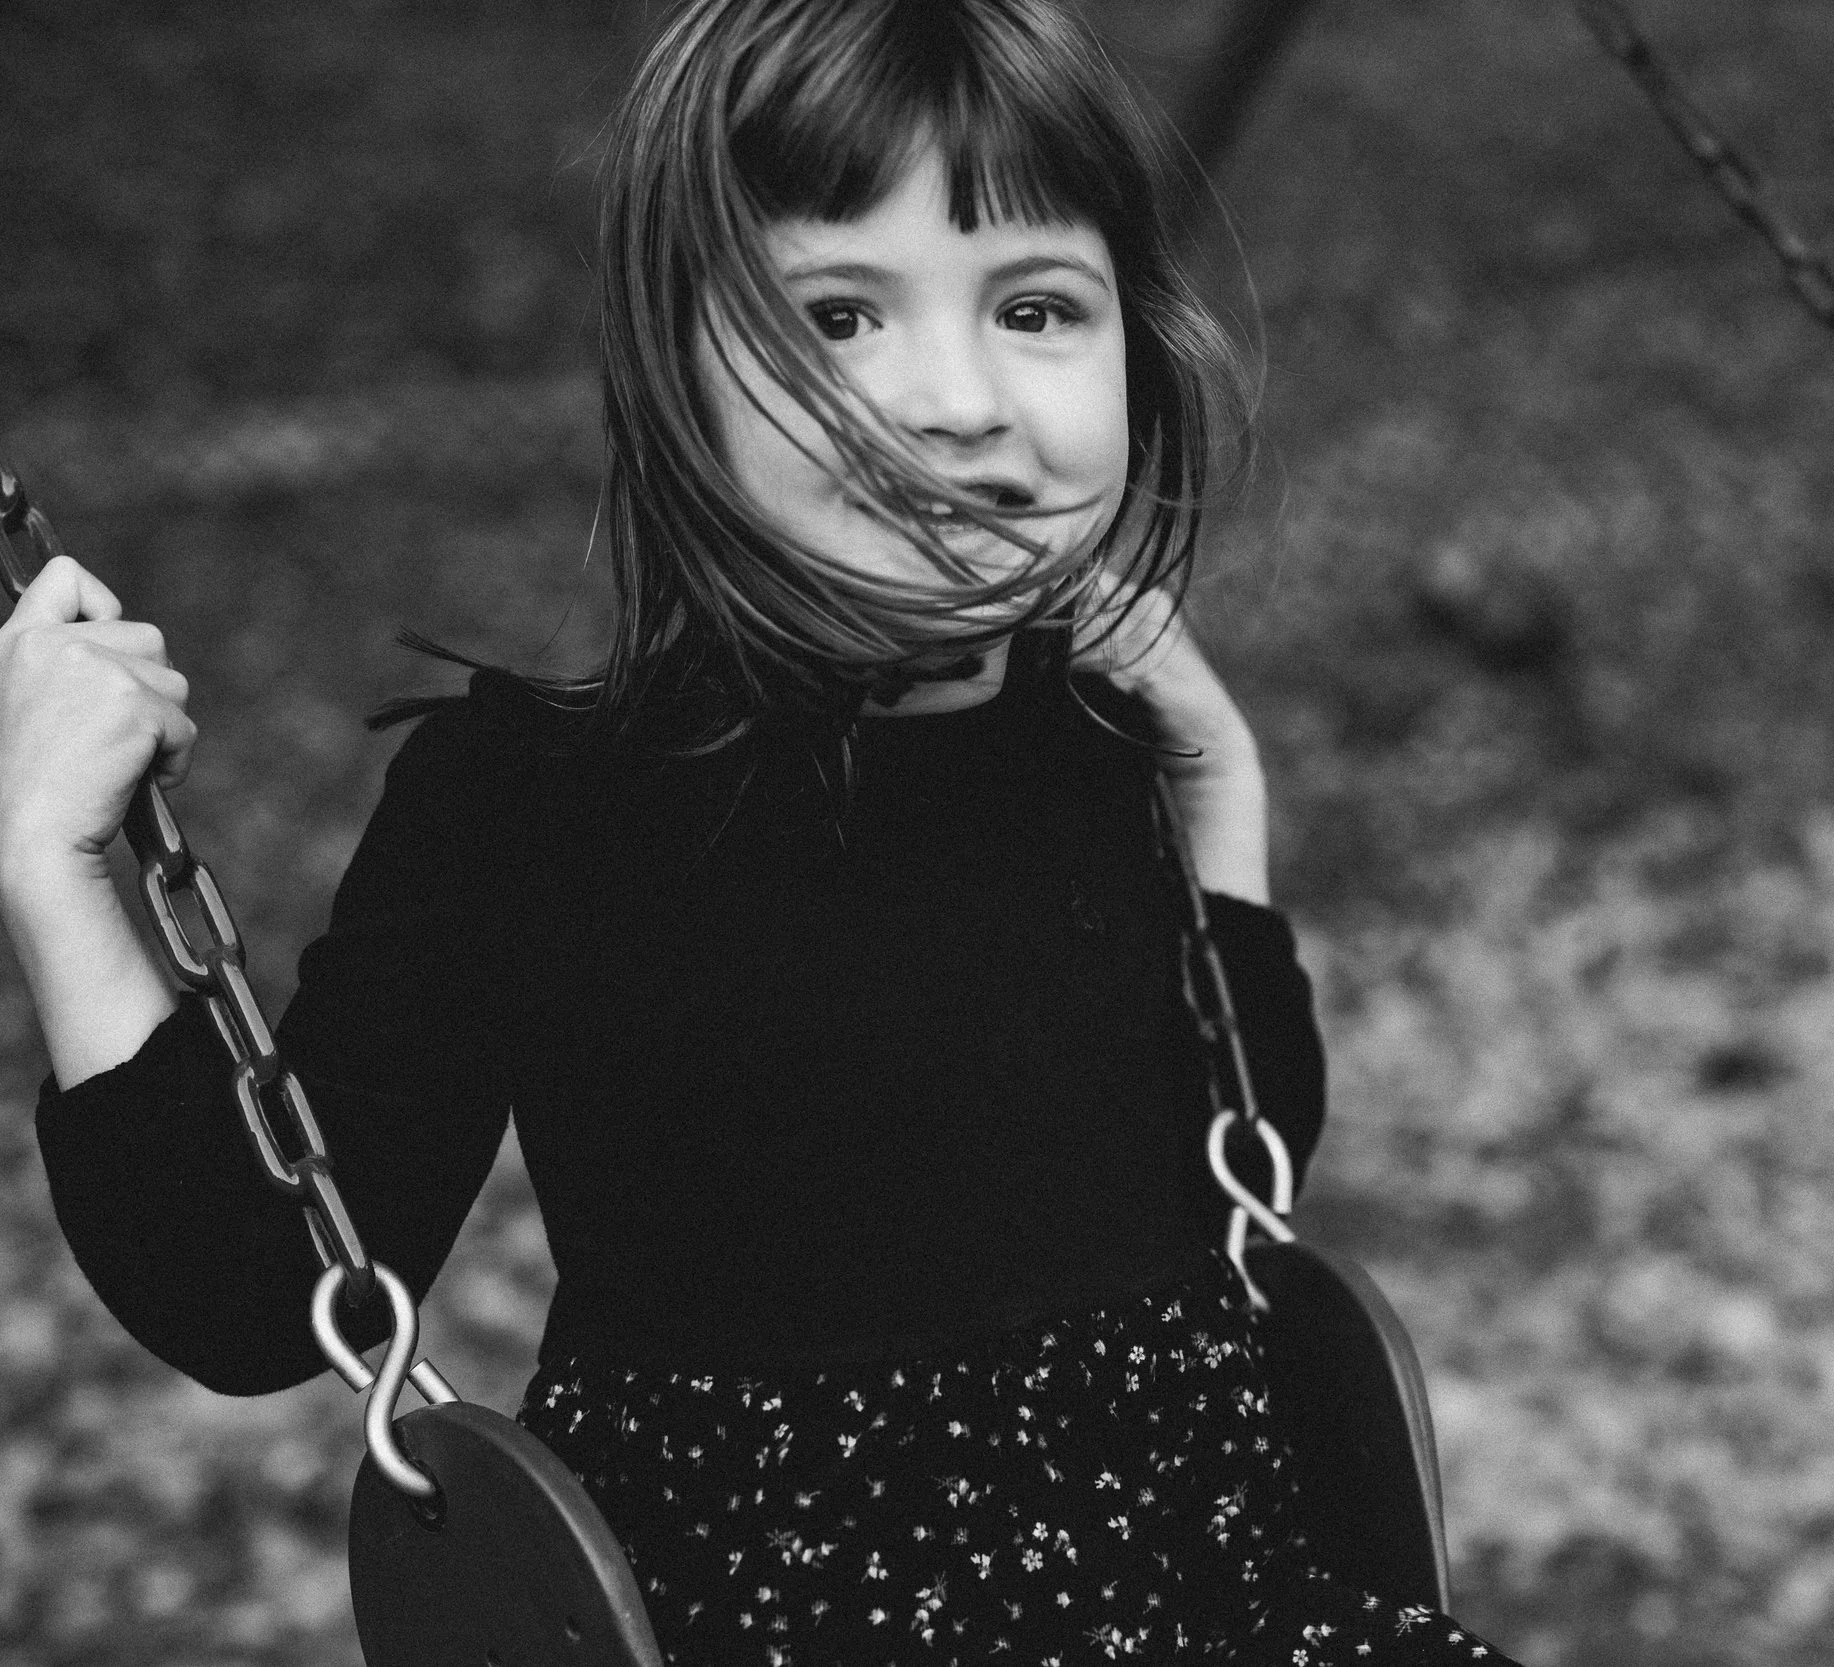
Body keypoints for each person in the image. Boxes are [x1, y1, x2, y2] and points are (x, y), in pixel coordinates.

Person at [0, 1, 1514, 1660]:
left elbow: (1244, 1154)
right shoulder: (537, 807)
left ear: (1137, 354)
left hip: (1209, 1608)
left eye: (1035, 306)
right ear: (677, 372)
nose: (952, 398)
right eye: (840, 315)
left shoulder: (1094, 747)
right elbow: (253, 1282)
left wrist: (1222, 792)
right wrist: (55, 869)